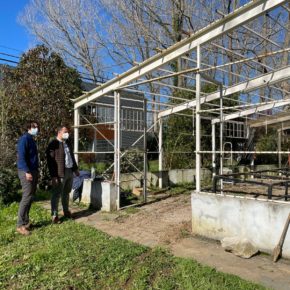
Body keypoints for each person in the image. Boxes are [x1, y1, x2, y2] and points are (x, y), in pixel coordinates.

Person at [46, 125, 79, 223]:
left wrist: (75, 169)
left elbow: (71, 156)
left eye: (67, 132)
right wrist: (53, 176)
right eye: (65, 132)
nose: (67, 133)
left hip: (69, 171)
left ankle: (66, 211)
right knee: (56, 194)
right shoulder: (53, 144)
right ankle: (54, 215)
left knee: (66, 193)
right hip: (60, 172)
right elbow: (50, 162)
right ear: (59, 132)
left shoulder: (68, 142)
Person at [16, 121, 39, 235]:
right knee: (26, 197)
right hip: (26, 172)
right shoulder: (24, 139)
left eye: (37, 126)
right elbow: (21, 157)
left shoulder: (31, 139)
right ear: (29, 127)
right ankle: (20, 225)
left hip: (33, 171)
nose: (37, 128)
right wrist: (27, 171)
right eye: (35, 126)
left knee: (30, 197)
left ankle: (26, 222)